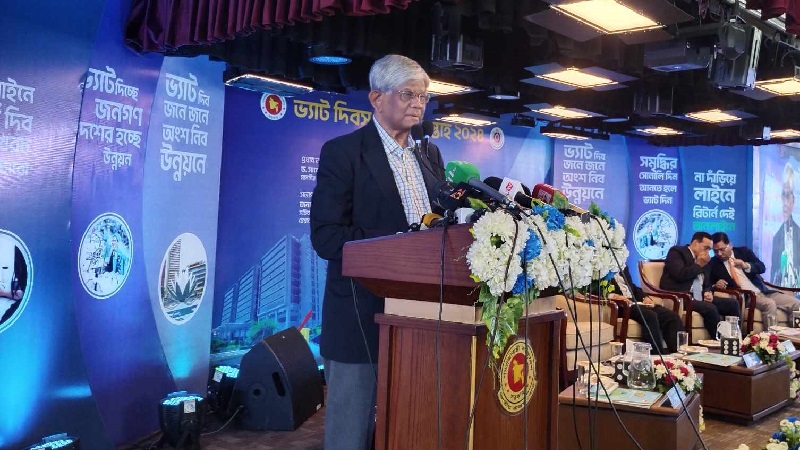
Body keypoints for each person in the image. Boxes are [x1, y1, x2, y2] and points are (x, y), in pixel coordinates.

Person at [310, 54, 445, 450]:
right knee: (349, 436)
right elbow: (326, 237)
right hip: (359, 316)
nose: (418, 104)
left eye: (423, 96)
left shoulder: (429, 156)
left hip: (422, 318)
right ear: (376, 98)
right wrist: (401, 241)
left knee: (410, 428)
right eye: (408, 94)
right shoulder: (343, 153)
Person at [709, 232, 800, 327]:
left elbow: (761, 267)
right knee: (770, 304)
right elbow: (708, 284)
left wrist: (746, 265)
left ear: (730, 245)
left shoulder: (743, 252)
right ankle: (771, 335)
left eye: (722, 249)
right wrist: (716, 285)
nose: (719, 254)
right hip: (748, 297)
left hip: (763, 291)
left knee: (797, 304)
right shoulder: (713, 263)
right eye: (715, 251)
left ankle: (794, 334)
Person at [660, 231, 740, 338]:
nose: (707, 252)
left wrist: (708, 292)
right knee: (710, 308)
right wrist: (698, 265)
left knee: (732, 304)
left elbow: (707, 283)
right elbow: (679, 275)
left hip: (700, 296)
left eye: (709, 249)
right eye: (705, 248)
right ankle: (720, 340)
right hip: (683, 296)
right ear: (695, 243)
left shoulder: (705, 259)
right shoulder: (677, 252)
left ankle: (734, 338)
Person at [608, 266, 683, 353]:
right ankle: (657, 355)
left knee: (672, 316)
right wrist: (612, 296)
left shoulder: (623, 266)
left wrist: (645, 297)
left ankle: (676, 355)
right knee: (650, 315)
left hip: (634, 302)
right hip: (620, 305)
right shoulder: (600, 267)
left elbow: (632, 287)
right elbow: (596, 289)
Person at [772, 162, 800, 286]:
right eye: (783, 195)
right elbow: (774, 273)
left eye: (788, 196)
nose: (785, 203)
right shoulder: (777, 236)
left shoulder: (799, 233)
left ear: (794, 200)